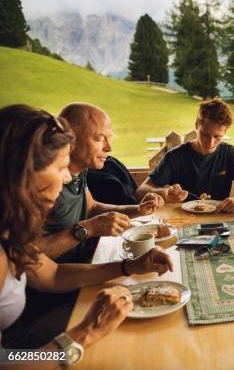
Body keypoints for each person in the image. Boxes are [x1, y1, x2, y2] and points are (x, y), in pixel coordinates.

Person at [0, 105, 173, 363]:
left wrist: (131, 266)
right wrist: (86, 332)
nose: (63, 183)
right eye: (60, 169)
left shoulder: (11, 232)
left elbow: (53, 274)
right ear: (23, 173)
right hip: (20, 344)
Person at [38, 103, 164, 263]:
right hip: (63, 278)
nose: (109, 147)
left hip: (87, 263)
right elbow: (28, 257)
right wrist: (88, 228)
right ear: (69, 137)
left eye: (109, 139)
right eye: (99, 138)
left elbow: (92, 208)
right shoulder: (44, 184)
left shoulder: (80, 171)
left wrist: (137, 209)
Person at [136, 98, 234, 213]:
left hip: (218, 216)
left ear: (225, 132)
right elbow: (141, 191)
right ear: (196, 126)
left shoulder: (231, 153)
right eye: (205, 134)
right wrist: (165, 192)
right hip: (183, 217)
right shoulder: (175, 156)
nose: (210, 143)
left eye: (217, 137)